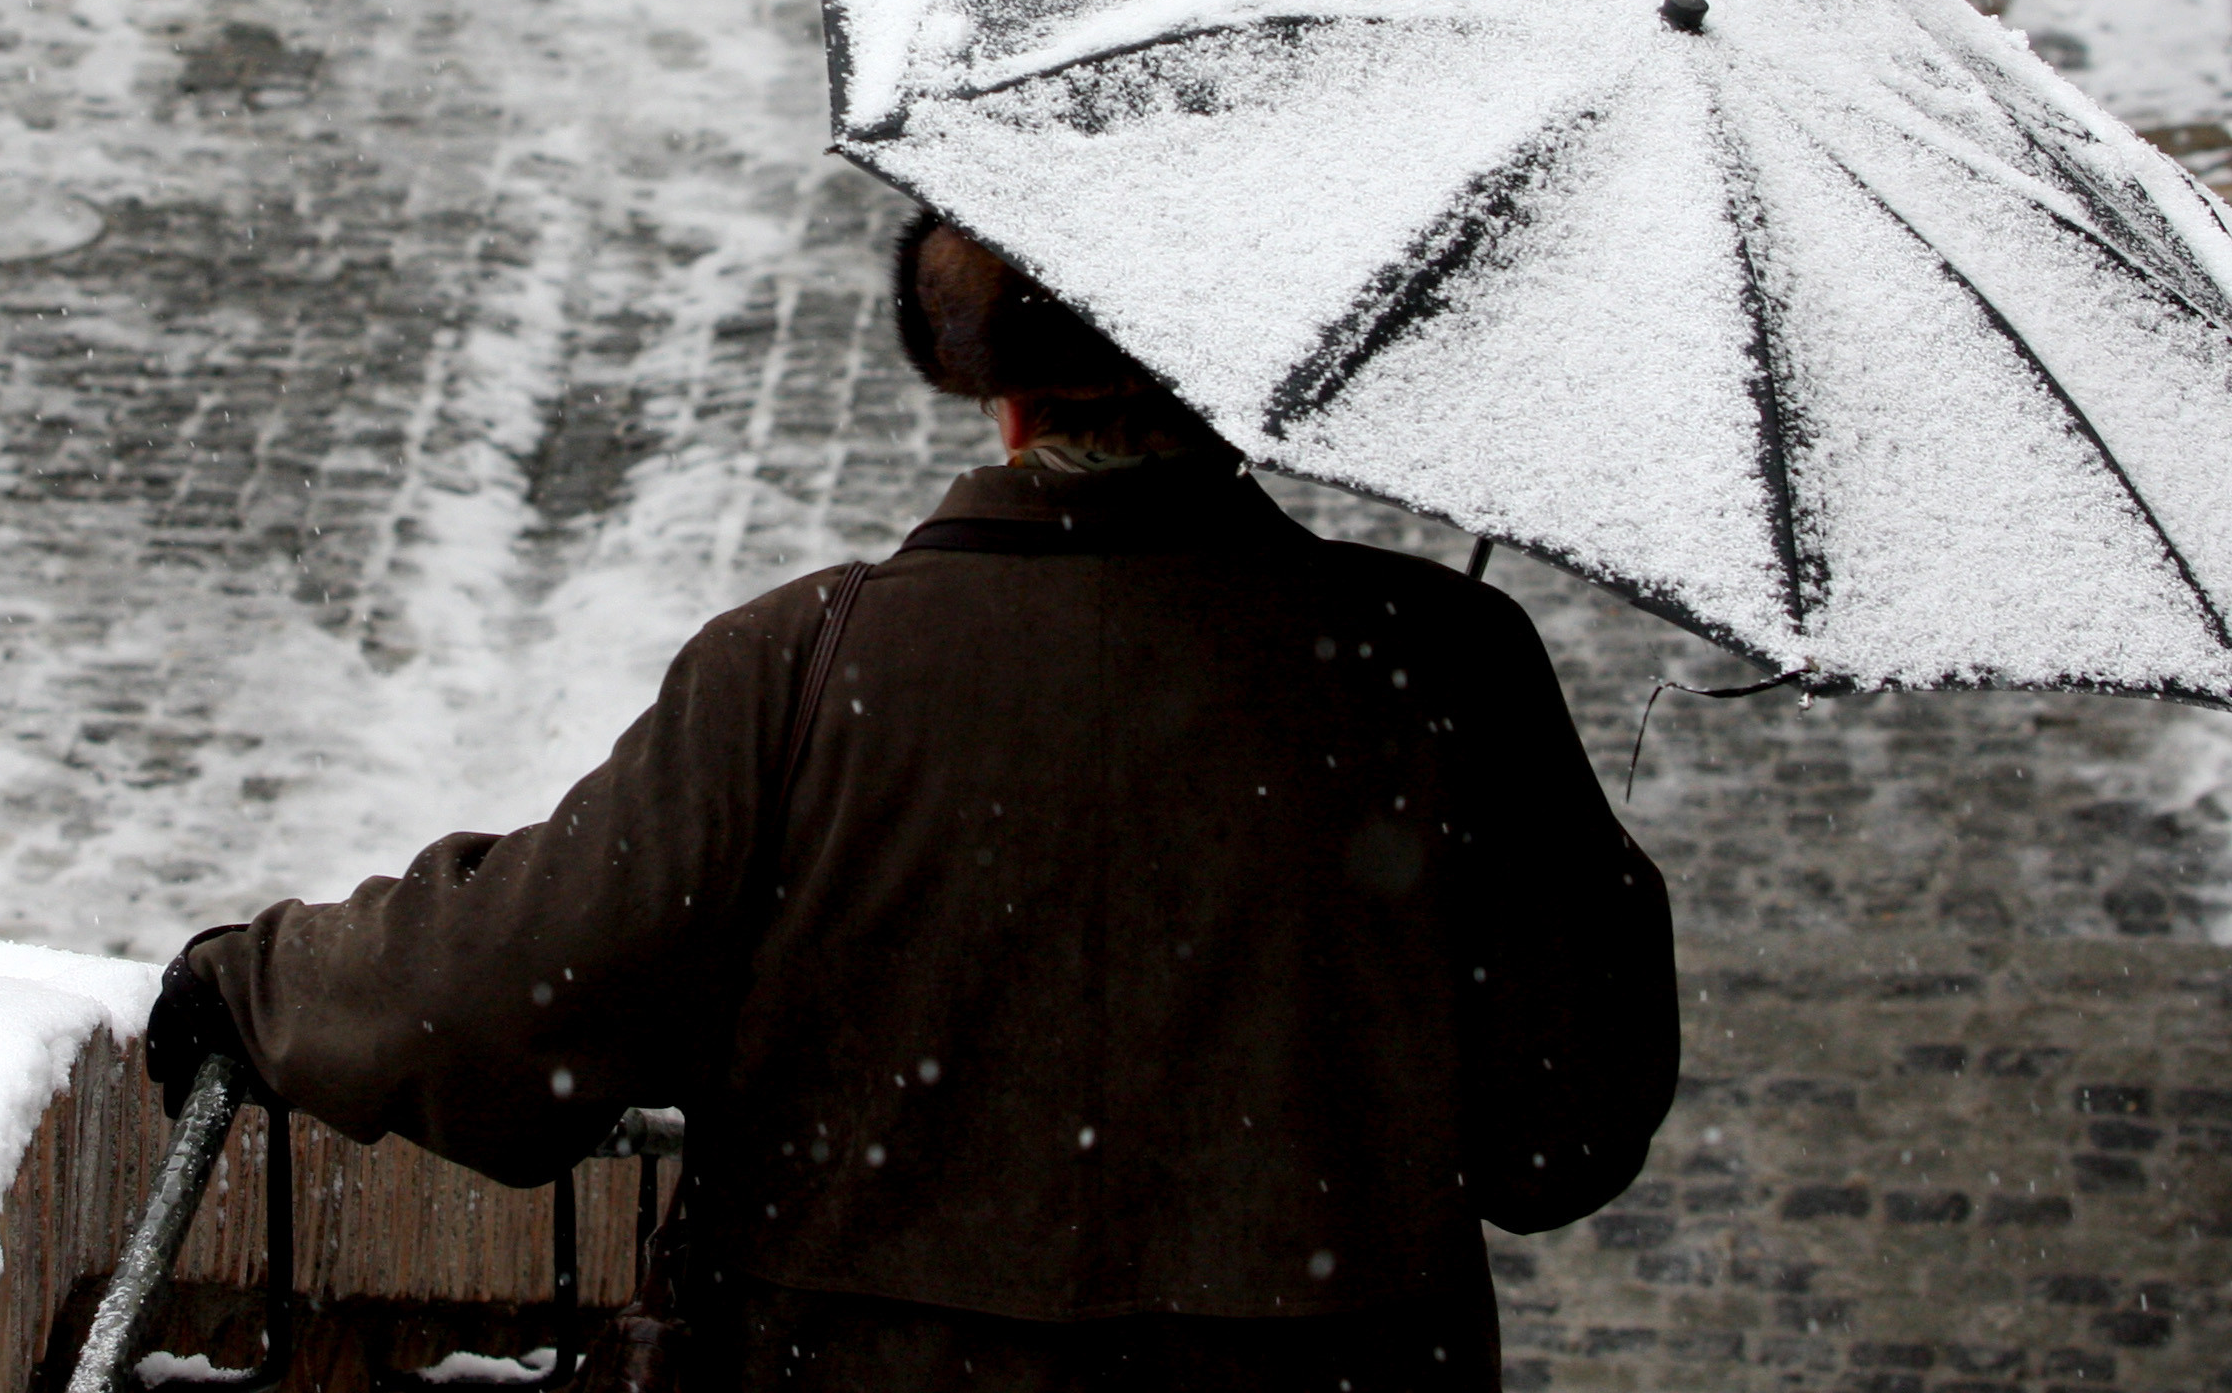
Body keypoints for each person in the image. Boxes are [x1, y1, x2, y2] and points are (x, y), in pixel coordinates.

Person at [147, 209, 1679, 1390]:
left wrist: (257, 982)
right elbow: (1566, 1137)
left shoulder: (802, 672)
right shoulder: (1444, 667)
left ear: (997, 400)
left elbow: (498, 1000)